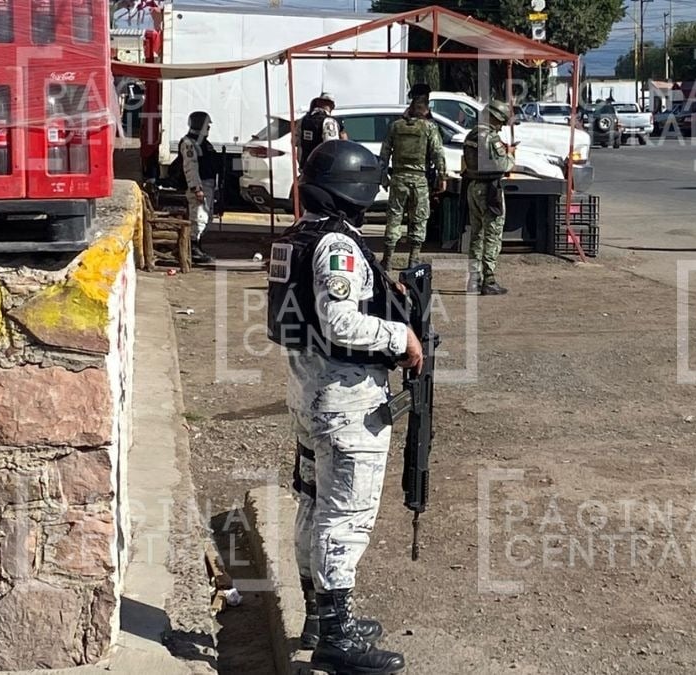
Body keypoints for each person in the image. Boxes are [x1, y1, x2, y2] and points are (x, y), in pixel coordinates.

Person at [266, 139, 421, 675]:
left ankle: (320, 617)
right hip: (345, 398)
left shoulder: (299, 236)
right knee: (345, 514)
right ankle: (337, 639)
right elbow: (340, 323)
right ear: (356, 189)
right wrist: (402, 337)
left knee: (313, 501)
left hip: (307, 392)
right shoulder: (338, 245)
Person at [379, 98, 446, 269]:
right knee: (419, 219)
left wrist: (383, 176)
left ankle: (387, 259)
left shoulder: (395, 126)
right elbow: (438, 153)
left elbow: (384, 152)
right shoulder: (429, 127)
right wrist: (442, 176)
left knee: (394, 217)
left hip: (398, 179)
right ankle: (413, 259)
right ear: (425, 111)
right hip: (419, 180)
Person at [461, 100, 515, 296]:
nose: (500, 126)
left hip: (473, 186)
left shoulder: (471, 135)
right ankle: (489, 279)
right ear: (493, 117)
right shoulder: (490, 138)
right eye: (500, 121)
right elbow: (503, 165)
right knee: (492, 234)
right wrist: (511, 156)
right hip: (490, 189)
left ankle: (474, 279)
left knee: (476, 235)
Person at [178, 110, 219, 264]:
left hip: (207, 184)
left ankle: (197, 247)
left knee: (206, 219)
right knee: (198, 218)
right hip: (199, 185)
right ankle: (193, 249)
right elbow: (190, 167)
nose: (208, 127)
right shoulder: (190, 143)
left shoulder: (203, 143)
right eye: (206, 125)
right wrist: (196, 188)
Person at [298, 93, 347, 164]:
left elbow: (296, 143)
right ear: (332, 106)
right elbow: (332, 147)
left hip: (306, 167)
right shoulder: (329, 122)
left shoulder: (303, 120)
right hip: (322, 168)